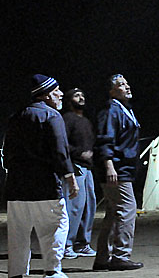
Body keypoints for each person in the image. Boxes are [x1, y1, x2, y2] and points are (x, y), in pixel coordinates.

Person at [3, 74, 78, 278]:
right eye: (57, 91)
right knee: (55, 227)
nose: (61, 94)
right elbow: (60, 151)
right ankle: (52, 271)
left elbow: (6, 152)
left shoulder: (16, 117)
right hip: (45, 186)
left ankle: (16, 274)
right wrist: (70, 177)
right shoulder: (52, 116)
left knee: (18, 234)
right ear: (45, 95)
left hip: (16, 187)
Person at [93, 74, 143, 271]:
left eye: (127, 83)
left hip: (124, 168)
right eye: (121, 85)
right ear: (111, 91)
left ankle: (103, 258)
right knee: (128, 209)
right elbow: (105, 139)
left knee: (114, 213)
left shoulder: (124, 109)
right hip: (117, 169)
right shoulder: (110, 110)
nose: (127, 86)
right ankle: (121, 255)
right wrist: (109, 165)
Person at [60, 88, 97, 259]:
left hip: (87, 168)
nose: (81, 98)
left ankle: (82, 243)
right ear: (69, 100)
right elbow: (62, 143)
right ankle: (67, 244)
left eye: (82, 95)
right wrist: (78, 153)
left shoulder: (86, 121)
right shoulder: (67, 119)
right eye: (76, 95)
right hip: (75, 167)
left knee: (89, 206)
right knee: (74, 207)